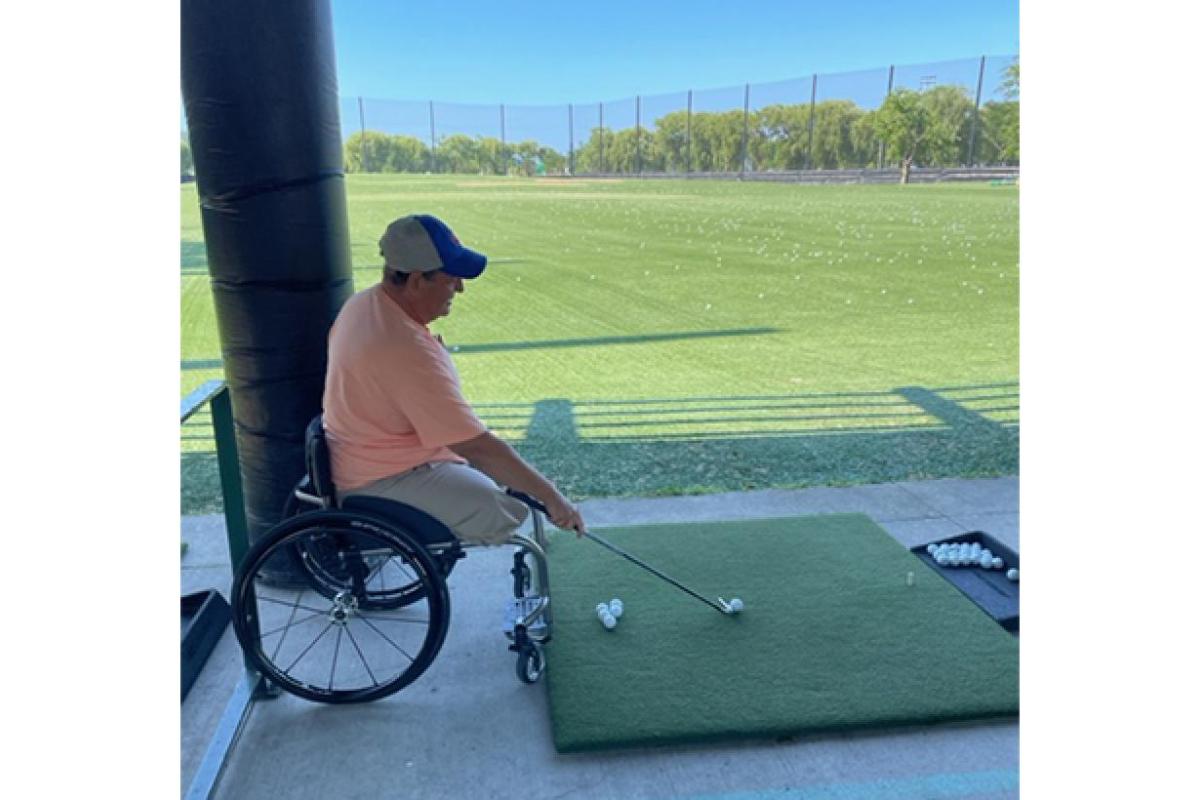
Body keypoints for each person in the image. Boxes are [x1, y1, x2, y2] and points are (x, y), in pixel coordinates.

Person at [322, 214, 586, 544]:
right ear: (417, 280)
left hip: (373, 460)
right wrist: (553, 498)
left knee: (510, 482)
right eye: (451, 279)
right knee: (503, 508)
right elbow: (476, 446)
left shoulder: (364, 304)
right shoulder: (405, 348)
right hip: (382, 479)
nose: (460, 288)